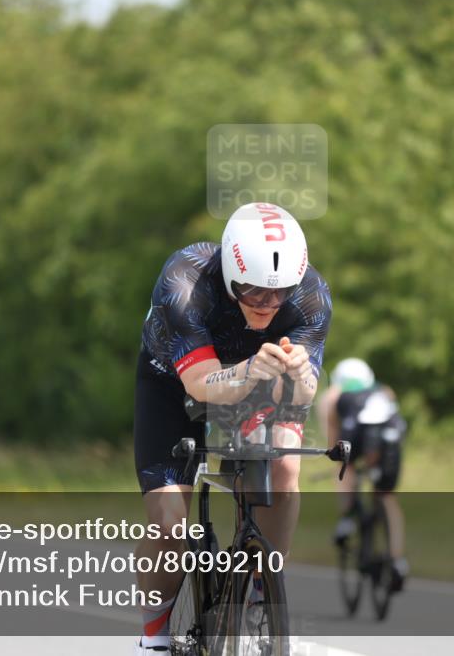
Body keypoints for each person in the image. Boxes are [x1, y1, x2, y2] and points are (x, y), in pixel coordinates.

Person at [132, 202, 331, 654]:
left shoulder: (311, 296)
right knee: (170, 523)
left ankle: (263, 587)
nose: (266, 304)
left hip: (259, 382)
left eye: (278, 294)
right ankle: (154, 637)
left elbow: (302, 395)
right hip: (174, 383)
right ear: (228, 271)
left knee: (284, 471)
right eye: (252, 291)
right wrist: (246, 371)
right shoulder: (185, 281)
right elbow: (200, 385)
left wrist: (301, 377)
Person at [320, 357, 409, 592]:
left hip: (357, 433)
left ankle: (347, 519)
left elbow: (333, 444)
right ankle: (398, 561)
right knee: (386, 496)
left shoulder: (333, 396)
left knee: (345, 466)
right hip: (391, 435)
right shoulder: (384, 391)